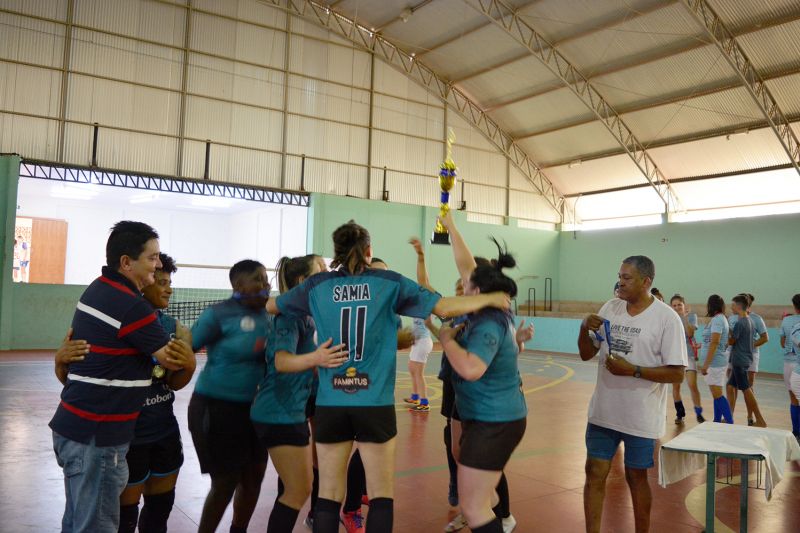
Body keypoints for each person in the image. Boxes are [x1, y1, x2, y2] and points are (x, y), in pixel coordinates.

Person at [266, 220, 510, 533]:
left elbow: (273, 305)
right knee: (381, 494)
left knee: (328, 495)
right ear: (369, 251)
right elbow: (445, 308)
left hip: (331, 403)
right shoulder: (389, 282)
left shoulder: (316, 286)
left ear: (336, 253)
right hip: (374, 403)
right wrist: (489, 298)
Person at [49, 221, 189, 533]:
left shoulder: (99, 287)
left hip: (78, 432)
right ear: (126, 262)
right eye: (152, 258)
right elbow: (172, 359)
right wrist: (191, 351)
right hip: (97, 438)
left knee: (77, 522)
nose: (157, 264)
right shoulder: (130, 306)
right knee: (96, 526)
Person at [578, 255, 686, 533]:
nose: (620, 282)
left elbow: (677, 373)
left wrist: (633, 370)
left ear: (646, 281)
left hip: (640, 417)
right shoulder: (610, 308)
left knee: (636, 477)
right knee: (594, 473)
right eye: (620, 276)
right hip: (603, 413)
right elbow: (586, 353)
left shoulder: (666, 319)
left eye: (627, 278)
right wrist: (583, 329)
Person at [251, 255, 349, 532]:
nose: (327, 274)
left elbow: (307, 363)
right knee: (298, 490)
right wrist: (318, 358)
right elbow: (282, 361)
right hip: (278, 412)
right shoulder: (289, 316)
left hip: (291, 410)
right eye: (321, 270)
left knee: (296, 488)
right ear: (303, 282)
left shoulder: (308, 315)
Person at [438, 239, 527, 533]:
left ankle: (504, 519)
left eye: (466, 285)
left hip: (496, 421)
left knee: (474, 508)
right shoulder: (477, 310)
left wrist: (447, 341)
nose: (462, 287)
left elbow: (470, 368)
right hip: (487, 418)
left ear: (477, 292)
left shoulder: (488, 320)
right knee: (481, 501)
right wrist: (450, 226)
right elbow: (466, 266)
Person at [188, 260, 272, 533]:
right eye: (258, 279)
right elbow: (187, 348)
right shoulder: (218, 314)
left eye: (266, 278)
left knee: (254, 476)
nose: (265, 284)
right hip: (217, 408)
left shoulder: (268, 315)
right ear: (238, 285)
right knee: (225, 481)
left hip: (256, 411)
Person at [726, 294, 767, 427]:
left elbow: (732, 340)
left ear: (738, 306)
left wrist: (725, 333)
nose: (731, 307)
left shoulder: (741, 322)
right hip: (743, 358)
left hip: (739, 360)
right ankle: (728, 417)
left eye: (732, 305)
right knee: (730, 386)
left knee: (746, 389)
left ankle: (760, 419)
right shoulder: (748, 320)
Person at [404, 239, 434, 413]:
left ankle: (424, 401)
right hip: (418, 340)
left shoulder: (427, 302)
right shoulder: (416, 304)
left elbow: (424, 281)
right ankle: (415, 397)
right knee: (411, 368)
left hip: (423, 340)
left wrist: (421, 257)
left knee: (418, 371)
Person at [669, 294, 704, 424]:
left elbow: (690, 333)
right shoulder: (670, 319)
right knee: (676, 387)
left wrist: (684, 318)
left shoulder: (691, 317)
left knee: (692, 385)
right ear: (671, 307)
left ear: (684, 306)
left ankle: (699, 413)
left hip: (689, 355)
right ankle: (680, 413)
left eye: (679, 305)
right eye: (674, 305)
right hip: (675, 356)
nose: (677, 307)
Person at [698, 295, 733, 423]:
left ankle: (730, 422)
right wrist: (702, 345)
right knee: (716, 394)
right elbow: (711, 341)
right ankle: (717, 421)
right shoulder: (718, 319)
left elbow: (715, 342)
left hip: (715, 363)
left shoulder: (718, 320)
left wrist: (706, 365)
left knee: (717, 394)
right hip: (716, 361)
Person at [778, 294, 800, 440]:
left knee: (793, 398)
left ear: (794, 306)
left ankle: (796, 432)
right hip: (798, 363)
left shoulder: (786, 321)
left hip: (789, 362)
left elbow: (782, 343)